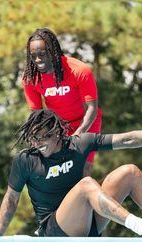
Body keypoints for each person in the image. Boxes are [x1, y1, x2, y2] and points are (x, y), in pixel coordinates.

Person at [0, 110, 142, 238]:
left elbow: (127, 140)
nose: (37, 144)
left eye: (43, 137)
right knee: (86, 184)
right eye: (33, 139)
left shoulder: (78, 144)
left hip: (89, 223)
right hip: (55, 231)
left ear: (57, 133)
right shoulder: (25, 160)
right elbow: (11, 201)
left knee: (130, 171)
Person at [22, 28, 102, 176]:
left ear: (53, 51)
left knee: (82, 170)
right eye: (33, 56)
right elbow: (37, 115)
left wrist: (78, 135)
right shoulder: (30, 79)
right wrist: (38, 137)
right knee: (60, 171)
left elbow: (92, 108)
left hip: (87, 122)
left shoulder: (79, 70)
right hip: (59, 127)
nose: (38, 60)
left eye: (42, 54)